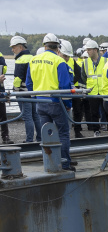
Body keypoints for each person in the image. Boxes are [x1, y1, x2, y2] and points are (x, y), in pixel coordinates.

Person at [26, 33, 75, 169]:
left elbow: (29, 83)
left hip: (40, 103)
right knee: (63, 133)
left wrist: (36, 98)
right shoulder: (59, 61)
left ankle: (49, 163)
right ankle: (65, 164)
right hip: (55, 102)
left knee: (46, 134)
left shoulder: (33, 60)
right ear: (58, 47)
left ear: (44, 45)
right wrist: (68, 105)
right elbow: (64, 86)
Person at [10, 35, 40, 142]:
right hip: (33, 92)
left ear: (21, 47)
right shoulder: (33, 58)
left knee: (27, 117)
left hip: (23, 93)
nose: (13, 50)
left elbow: (18, 79)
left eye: (14, 47)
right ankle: (40, 138)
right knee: (36, 116)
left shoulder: (20, 60)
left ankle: (29, 140)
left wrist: (14, 92)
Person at [81, 40, 107, 135]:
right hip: (92, 92)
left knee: (107, 111)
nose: (87, 51)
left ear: (95, 50)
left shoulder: (105, 61)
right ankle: (96, 130)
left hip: (104, 91)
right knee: (94, 113)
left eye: (89, 50)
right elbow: (83, 76)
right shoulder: (86, 62)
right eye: (87, 50)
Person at [0, 51, 10, 143]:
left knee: (3, 115)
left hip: (1, 90)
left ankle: (5, 136)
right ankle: (5, 136)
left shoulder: (0, 56)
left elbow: (4, 70)